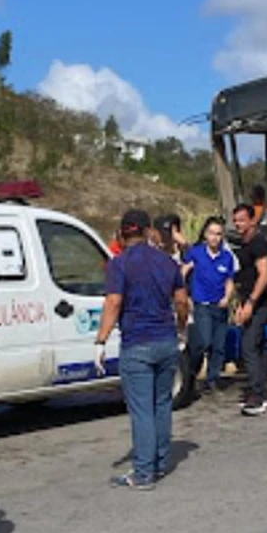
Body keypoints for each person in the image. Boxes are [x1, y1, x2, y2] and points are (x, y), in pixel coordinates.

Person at [95, 209, 189, 491]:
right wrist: (182, 328)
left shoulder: (119, 264)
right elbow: (182, 302)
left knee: (141, 410)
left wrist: (101, 341)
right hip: (166, 340)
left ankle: (144, 472)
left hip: (137, 342)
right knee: (162, 404)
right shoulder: (168, 263)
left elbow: (113, 302)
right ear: (150, 231)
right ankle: (160, 463)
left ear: (122, 233)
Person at [182, 216, 235, 396]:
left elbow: (229, 280)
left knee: (218, 346)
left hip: (219, 306)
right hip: (202, 304)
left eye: (218, 234)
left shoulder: (227, 257)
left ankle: (211, 380)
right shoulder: (196, 252)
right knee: (204, 341)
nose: (215, 237)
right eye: (212, 233)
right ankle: (191, 373)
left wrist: (227, 297)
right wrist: (184, 295)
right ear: (205, 234)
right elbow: (183, 271)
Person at [232, 204, 267, 416]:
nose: (238, 224)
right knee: (255, 346)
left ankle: (258, 394)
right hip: (247, 301)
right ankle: (256, 386)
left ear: (252, 220)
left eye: (241, 220)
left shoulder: (258, 243)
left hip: (260, 303)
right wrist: (240, 303)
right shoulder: (244, 244)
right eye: (235, 220)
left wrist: (251, 302)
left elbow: (264, 274)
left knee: (249, 346)